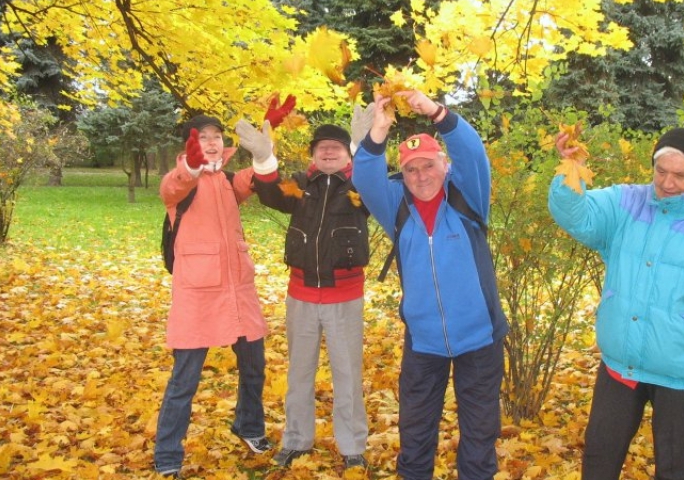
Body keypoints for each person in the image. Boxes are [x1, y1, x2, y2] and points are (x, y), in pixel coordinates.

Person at [548, 127, 684, 480]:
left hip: (682, 373)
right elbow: (578, 216)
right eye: (661, 171)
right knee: (599, 461)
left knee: (677, 470)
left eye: (680, 175)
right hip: (620, 366)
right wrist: (570, 169)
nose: (667, 183)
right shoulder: (627, 203)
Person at [351, 90, 508, 480]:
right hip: (424, 342)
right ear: (401, 174)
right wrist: (379, 131)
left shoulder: (467, 197)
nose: (421, 176)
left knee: (479, 433)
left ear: (444, 165)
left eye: (428, 165)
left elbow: (473, 153)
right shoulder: (396, 207)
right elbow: (365, 175)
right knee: (416, 432)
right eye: (411, 169)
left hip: (480, 338)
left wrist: (437, 112)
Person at [235, 111, 370, 469]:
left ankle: (353, 447)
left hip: (345, 298)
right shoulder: (299, 185)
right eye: (322, 148)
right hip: (302, 298)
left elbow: (378, 191)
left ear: (347, 154)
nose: (328, 153)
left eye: (336, 148)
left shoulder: (359, 187)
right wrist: (264, 159)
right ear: (313, 154)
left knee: (348, 376)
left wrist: (365, 147)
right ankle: (296, 441)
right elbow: (269, 194)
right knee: (299, 375)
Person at [154, 114, 271, 478]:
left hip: (238, 291)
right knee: (184, 379)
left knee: (254, 366)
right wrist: (190, 165)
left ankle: (249, 426)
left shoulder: (226, 180)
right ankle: (168, 453)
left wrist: (264, 152)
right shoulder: (181, 182)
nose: (211, 142)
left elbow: (257, 180)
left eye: (216, 136)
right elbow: (173, 188)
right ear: (190, 143)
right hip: (198, 294)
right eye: (202, 136)